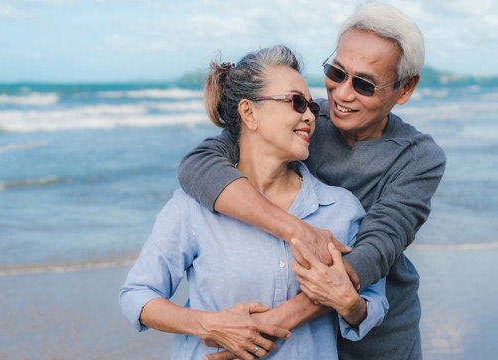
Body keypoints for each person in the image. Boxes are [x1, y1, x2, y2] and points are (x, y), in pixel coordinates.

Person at [178, 3, 446, 360]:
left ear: (405, 89)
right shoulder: (302, 119)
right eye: (337, 72)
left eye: (365, 84)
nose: (342, 93)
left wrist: (265, 330)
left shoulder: (419, 157)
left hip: (373, 341)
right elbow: (198, 165)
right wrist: (295, 230)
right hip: (298, 345)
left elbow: (376, 250)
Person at [120, 45, 388, 360]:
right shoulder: (191, 207)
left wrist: (349, 304)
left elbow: (374, 305)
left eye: (312, 108)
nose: (309, 116)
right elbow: (137, 295)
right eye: (296, 102)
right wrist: (209, 325)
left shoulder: (340, 209)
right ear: (249, 113)